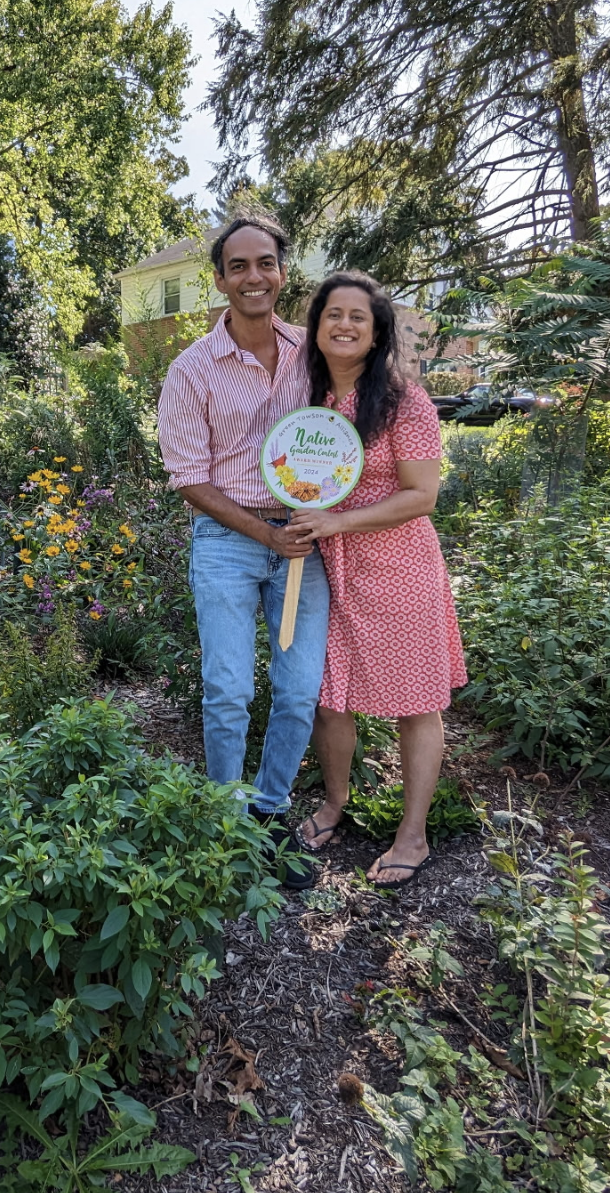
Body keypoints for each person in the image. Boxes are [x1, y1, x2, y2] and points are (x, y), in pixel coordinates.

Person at [157, 215, 328, 890]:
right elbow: (189, 479)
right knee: (229, 690)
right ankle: (223, 820)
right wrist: (266, 535)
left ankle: (268, 813)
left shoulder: (315, 353)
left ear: (282, 271)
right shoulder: (191, 369)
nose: (253, 277)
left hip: (304, 543)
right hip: (230, 543)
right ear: (221, 278)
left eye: (265, 263)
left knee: (298, 692)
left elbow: (347, 428)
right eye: (239, 266)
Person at [282, 271, 467, 887]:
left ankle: (412, 836)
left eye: (358, 316)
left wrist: (339, 519)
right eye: (332, 314)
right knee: (328, 697)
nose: (343, 324)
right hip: (329, 569)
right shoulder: (307, 401)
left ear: (378, 330)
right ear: (316, 327)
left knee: (416, 703)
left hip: (399, 567)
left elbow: (422, 495)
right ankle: (335, 804)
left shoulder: (404, 401)